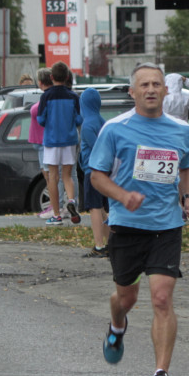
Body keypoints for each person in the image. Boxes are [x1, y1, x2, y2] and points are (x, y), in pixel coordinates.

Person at [89, 62, 189, 376]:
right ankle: (117, 326)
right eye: (144, 85)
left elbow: (186, 167)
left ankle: (161, 374)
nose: (151, 90)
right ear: (132, 92)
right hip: (126, 225)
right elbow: (96, 175)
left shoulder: (181, 129)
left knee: (162, 298)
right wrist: (123, 196)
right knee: (127, 298)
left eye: (156, 84)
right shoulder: (115, 129)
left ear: (166, 91)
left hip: (166, 227)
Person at [36, 61, 82, 225]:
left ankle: (56, 215)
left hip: (52, 140)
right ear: (67, 77)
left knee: (53, 178)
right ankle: (71, 201)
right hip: (69, 140)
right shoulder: (73, 96)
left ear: (51, 77)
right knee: (68, 176)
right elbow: (79, 118)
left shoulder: (46, 96)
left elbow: (40, 119)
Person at [28, 68, 64, 218]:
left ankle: (56, 206)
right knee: (49, 176)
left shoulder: (48, 98)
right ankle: (54, 205)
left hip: (46, 142)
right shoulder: (48, 97)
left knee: (52, 177)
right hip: (40, 142)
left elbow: (41, 116)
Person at [78, 87, 109, 257]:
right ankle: (111, 244)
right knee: (103, 209)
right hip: (103, 171)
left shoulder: (87, 125)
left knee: (94, 208)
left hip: (92, 172)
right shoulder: (102, 121)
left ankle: (99, 246)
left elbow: (97, 147)